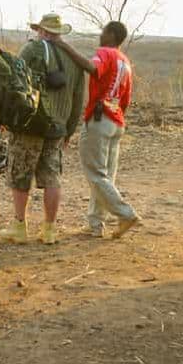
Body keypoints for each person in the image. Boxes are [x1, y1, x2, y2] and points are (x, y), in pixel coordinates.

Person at [0, 13, 85, 245]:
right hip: (58, 126)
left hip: (30, 125)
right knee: (52, 177)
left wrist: (6, 115)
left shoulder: (32, 50)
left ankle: (19, 226)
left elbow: (15, 83)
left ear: (42, 31)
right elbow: (78, 98)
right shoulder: (74, 58)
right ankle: (49, 230)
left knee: (20, 173)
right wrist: (70, 129)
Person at [53, 21, 140, 239]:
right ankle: (96, 224)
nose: (100, 35)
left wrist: (63, 45)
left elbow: (92, 67)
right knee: (105, 176)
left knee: (96, 174)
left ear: (110, 34)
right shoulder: (125, 61)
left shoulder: (105, 53)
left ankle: (125, 213)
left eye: (103, 32)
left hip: (100, 119)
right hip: (116, 120)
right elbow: (126, 99)